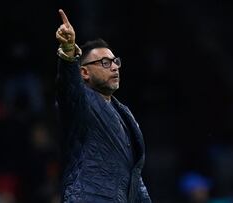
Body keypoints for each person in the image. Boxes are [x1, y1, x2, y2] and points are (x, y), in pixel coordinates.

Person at [55, 9, 152, 203]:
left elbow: (134, 174)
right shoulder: (79, 100)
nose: (115, 67)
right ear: (84, 73)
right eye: (105, 62)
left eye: (115, 62)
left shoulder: (124, 112)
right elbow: (68, 85)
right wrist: (68, 50)